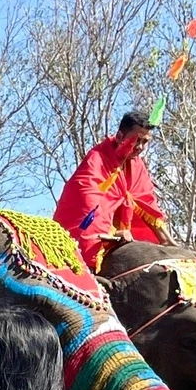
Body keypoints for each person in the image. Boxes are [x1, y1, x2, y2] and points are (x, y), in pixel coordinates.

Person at [53, 112, 171, 271]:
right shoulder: (97, 160)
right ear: (120, 136)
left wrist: (167, 241)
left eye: (145, 142)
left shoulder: (137, 166)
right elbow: (89, 205)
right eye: (136, 140)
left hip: (122, 239)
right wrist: (114, 234)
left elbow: (146, 203)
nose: (140, 147)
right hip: (95, 242)